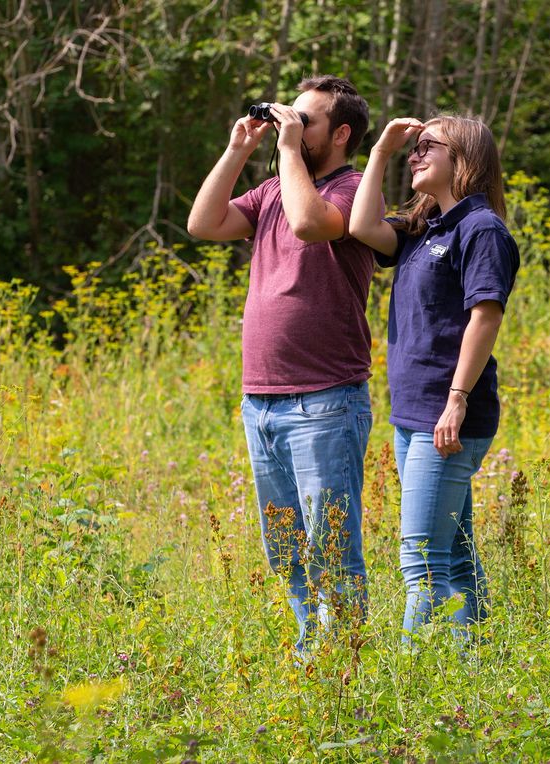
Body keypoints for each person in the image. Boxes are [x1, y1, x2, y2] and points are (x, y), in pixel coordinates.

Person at [187, 76, 377, 651]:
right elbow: (203, 225)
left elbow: (309, 225)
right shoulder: (272, 189)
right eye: (288, 116)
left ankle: (342, 667)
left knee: (330, 546)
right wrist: (239, 149)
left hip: (325, 399)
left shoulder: (354, 187)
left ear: (340, 133)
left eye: (307, 119)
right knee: (286, 545)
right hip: (262, 400)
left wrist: (289, 149)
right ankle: (311, 654)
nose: (291, 125)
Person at [348, 114, 519, 639]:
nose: (415, 155)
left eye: (428, 147)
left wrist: (457, 399)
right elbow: (360, 227)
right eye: (413, 149)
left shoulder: (481, 228)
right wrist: (377, 153)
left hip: (446, 418)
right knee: (457, 557)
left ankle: (412, 684)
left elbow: (485, 315)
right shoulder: (429, 227)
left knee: (421, 562)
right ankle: (475, 670)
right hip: (415, 414)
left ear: (463, 158)